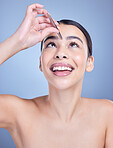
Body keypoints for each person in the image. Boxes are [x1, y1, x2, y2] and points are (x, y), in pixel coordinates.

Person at [0, 3, 113, 148]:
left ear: (89, 62)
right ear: (41, 63)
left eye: (73, 44)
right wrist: (18, 41)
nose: (60, 53)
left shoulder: (108, 114)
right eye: (51, 44)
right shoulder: (18, 113)